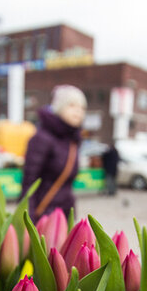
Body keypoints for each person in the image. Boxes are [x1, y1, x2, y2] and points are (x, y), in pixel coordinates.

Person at [21, 85, 86, 221]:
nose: (78, 112)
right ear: (59, 107)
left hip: (64, 214)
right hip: (43, 215)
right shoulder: (42, 138)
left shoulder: (72, 141)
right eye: (72, 105)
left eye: (82, 108)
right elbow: (29, 183)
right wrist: (28, 220)